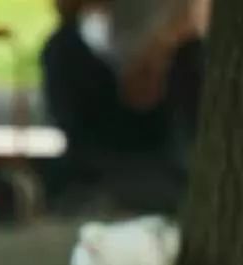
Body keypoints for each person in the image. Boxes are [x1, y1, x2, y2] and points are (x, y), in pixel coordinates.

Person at [40, 0, 209, 195]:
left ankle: (183, 164)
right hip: (108, 98)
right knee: (60, 47)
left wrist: (159, 53)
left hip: (165, 83)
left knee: (190, 57)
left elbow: (195, 16)